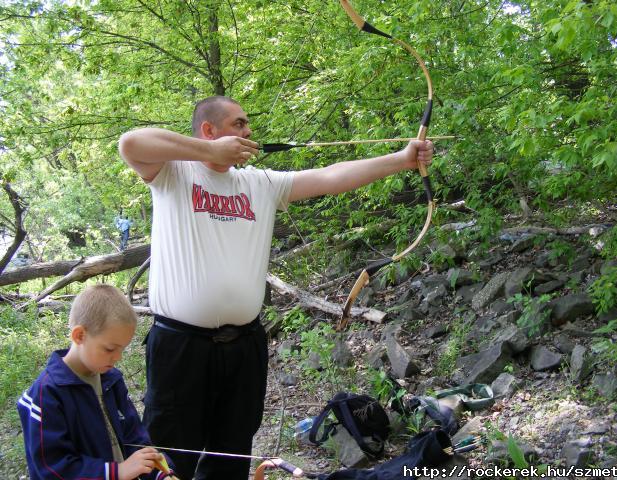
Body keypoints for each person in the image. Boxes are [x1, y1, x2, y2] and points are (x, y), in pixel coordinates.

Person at [118, 95, 434, 480]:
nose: (248, 132)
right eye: (239, 124)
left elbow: (331, 177)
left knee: (231, 450)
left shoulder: (260, 183)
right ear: (209, 129)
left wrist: (401, 159)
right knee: (172, 450)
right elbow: (130, 143)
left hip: (244, 347)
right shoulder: (172, 174)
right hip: (181, 346)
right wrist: (208, 151)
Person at [17, 284, 179, 480]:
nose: (118, 357)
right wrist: (116, 473)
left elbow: (135, 438)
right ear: (79, 336)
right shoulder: (46, 394)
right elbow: (52, 469)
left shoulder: (112, 380)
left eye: (122, 349)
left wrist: (161, 473)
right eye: (110, 349)